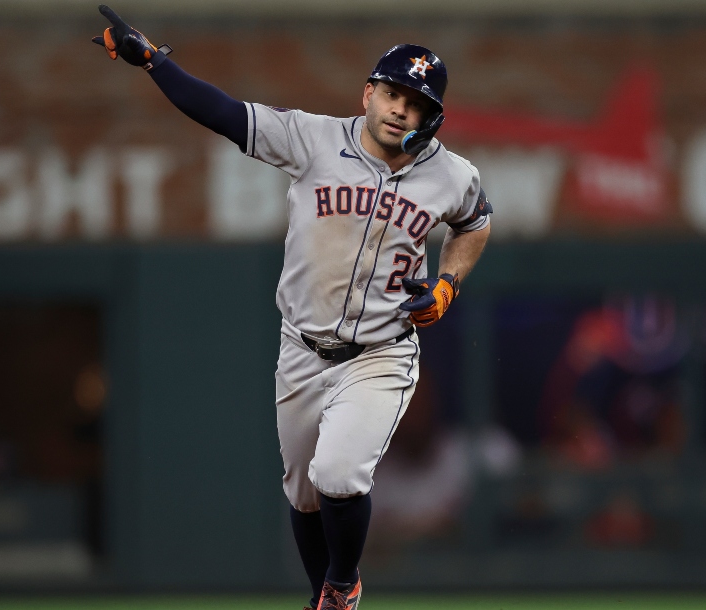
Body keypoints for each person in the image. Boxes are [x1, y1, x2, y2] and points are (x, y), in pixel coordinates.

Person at [91, 6, 492, 610]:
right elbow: (222, 112)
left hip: (380, 353)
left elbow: (475, 223)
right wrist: (154, 61)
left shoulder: (451, 175)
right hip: (302, 349)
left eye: (414, 105)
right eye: (390, 93)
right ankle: (322, 597)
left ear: (430, 118)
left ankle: (342, 587)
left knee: (339, 473)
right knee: (305, 495)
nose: (398, 110)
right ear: (368, 92)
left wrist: (447, 285)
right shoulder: (313, 138)